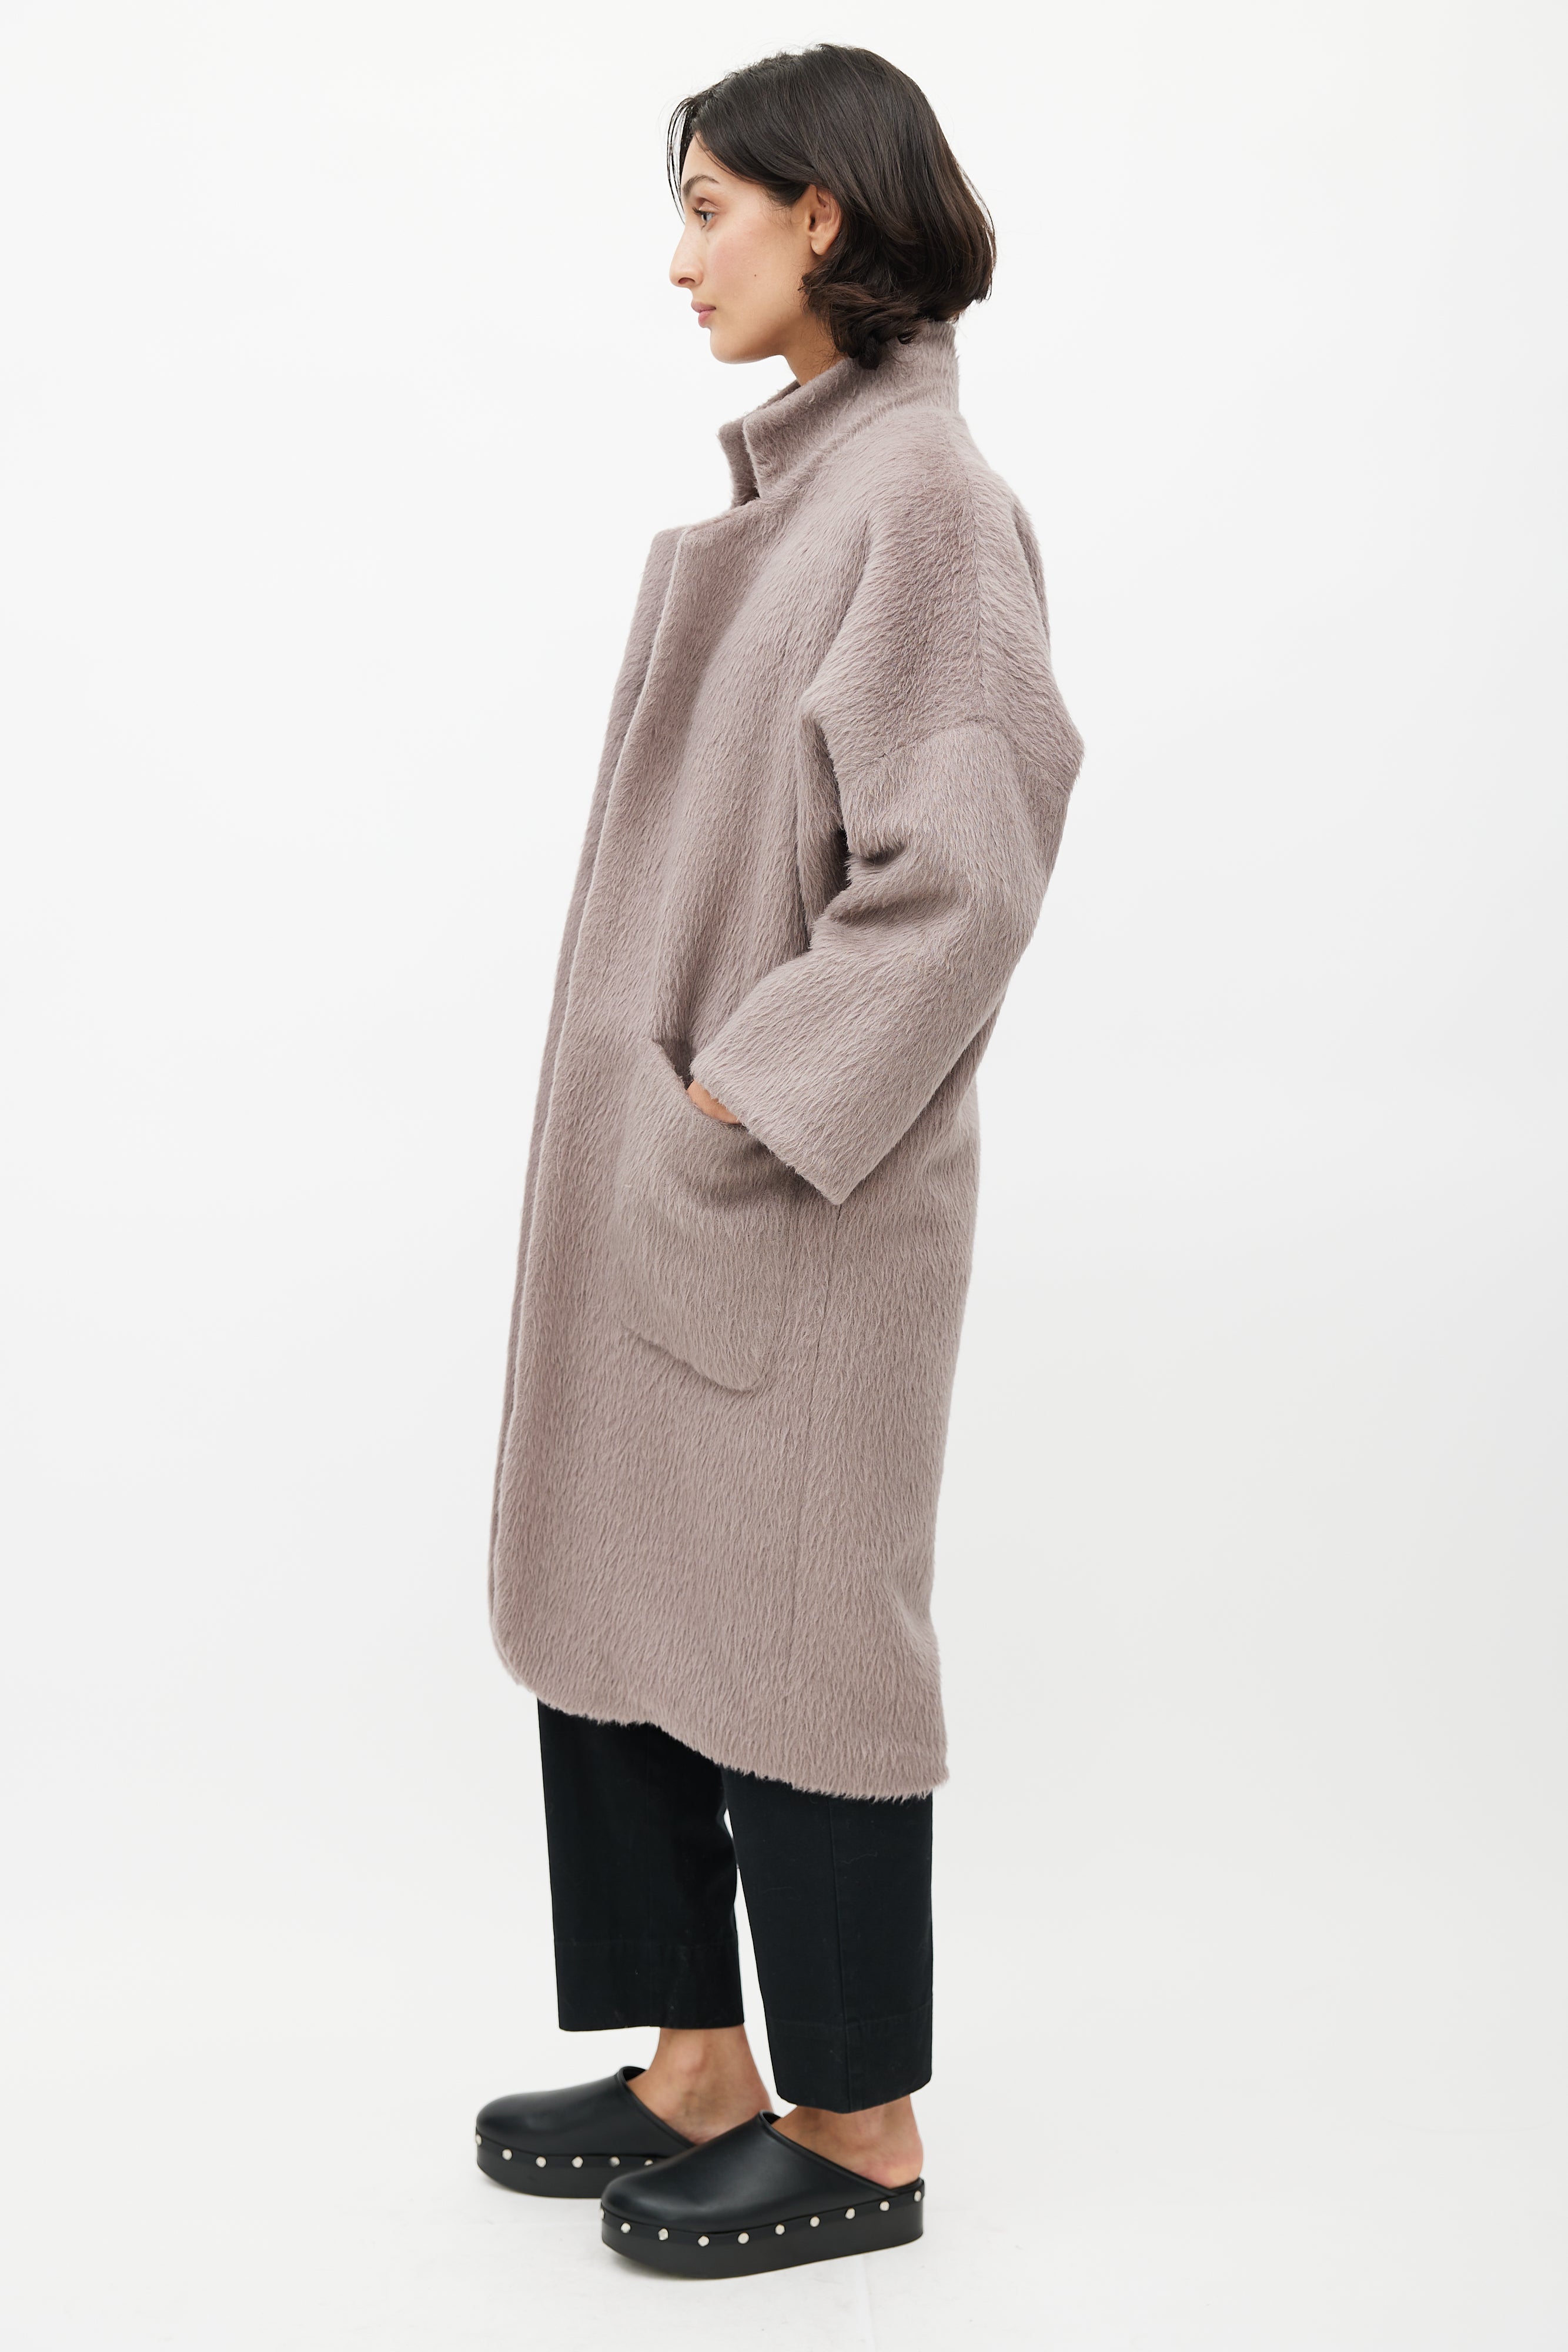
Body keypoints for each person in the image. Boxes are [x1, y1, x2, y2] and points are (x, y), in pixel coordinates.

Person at [476, 44, 1084, 2278]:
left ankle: (858, 2125)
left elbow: (964, 873)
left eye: (712, 206)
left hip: (797, 1208)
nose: (681, 255)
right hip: (678, 1184)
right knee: (620, 1596)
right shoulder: (812, 492)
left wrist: (745, 1102)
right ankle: (696, 2065)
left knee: (801, 1634)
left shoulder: (920, 504)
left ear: (824, 216)